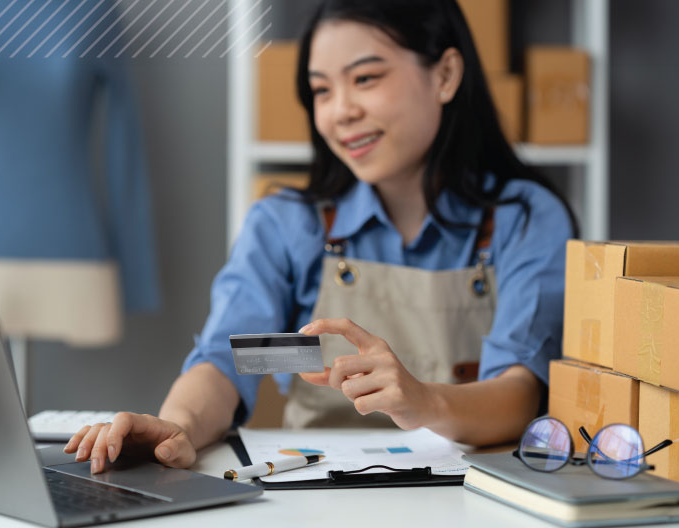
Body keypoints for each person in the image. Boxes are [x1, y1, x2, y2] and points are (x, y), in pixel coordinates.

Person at [66, 0, 575, 473]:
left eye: (366, 78)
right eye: (321, 90)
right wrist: (178, 425)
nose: (340, 111)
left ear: (444, 74)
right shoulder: (288, 226)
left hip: (470, 501)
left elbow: (519, 394)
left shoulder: (526, 218)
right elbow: (226, 363)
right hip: (314, 500)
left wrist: (424, 401)